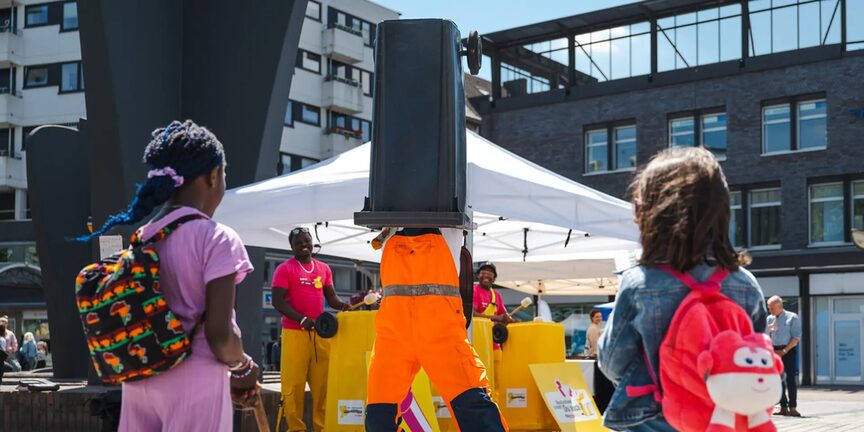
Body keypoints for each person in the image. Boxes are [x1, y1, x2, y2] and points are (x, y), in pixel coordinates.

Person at [77, 120, 259, 432]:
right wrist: (244, 368)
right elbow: (220, 336)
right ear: (213, 176)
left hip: (142, 378)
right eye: (224, 175)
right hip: (196, 382)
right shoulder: (216, 237)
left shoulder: (143, 237)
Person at [598, 147, 767, 432]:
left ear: (649, 212)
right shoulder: (745, 283)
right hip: (726, 418)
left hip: (654, 417)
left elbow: (612, 363)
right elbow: (758, 353)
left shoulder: (641, 282)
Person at [271, 227, 350, 432]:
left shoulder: (323, 268)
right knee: (293, 386)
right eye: (299, 243)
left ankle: (322, 428)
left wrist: (344, 306)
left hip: (320, 335)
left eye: (307, 241)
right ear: (292, 247)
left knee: (322, 386)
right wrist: (301, 318)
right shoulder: (285, 269)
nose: (304, 245)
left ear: (312, 242)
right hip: (294, 334)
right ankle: (296, 428)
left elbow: (331, 298)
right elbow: (278, 302)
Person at [766, 295, 802, 417]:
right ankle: (783, 406)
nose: (770, 311)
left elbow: (796, 338)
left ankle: (792, 407)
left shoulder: (792, 317)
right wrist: (768, 330)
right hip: (774, 352)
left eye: (772, 308)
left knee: (790, 379)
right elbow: (763, 336)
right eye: (769, 308)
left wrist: (784, 351)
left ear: (780, 306)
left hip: (788, 351)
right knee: (777, 380)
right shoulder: (769, 319)